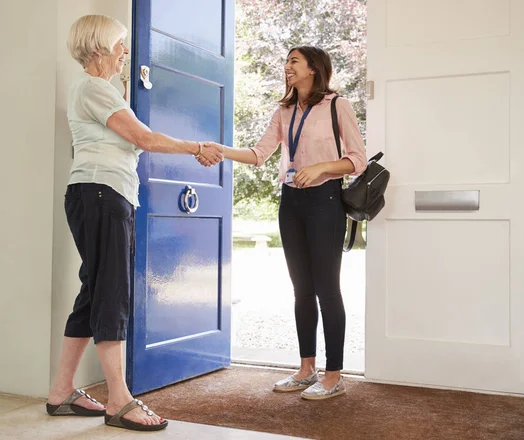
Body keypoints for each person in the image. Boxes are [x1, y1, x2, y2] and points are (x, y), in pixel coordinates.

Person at [47, 14, 224, 432]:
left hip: (99, 194)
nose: (125, 50)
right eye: (120, 44)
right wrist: (198, 146)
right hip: (102, 194)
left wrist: (127, 83)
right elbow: (143, 138)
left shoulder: (100, 90)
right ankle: (120, 401)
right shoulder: (93, 88)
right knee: (111, 293)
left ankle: (61, 392)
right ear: (99, 47)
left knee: (94, 292)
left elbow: (127, 130)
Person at [202, 46, 367, 400]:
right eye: (287, 62)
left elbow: (357, 160)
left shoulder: (338, 105)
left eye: (294, 61)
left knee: (327, 288)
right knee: (301, 289)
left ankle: (334, 374)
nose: (287, 67)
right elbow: (259, 154)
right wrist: (221, 149)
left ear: (313, 68)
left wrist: (321, 166)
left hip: (325, 201)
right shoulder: (284, 110)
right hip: (290, 202)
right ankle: (307, 369)